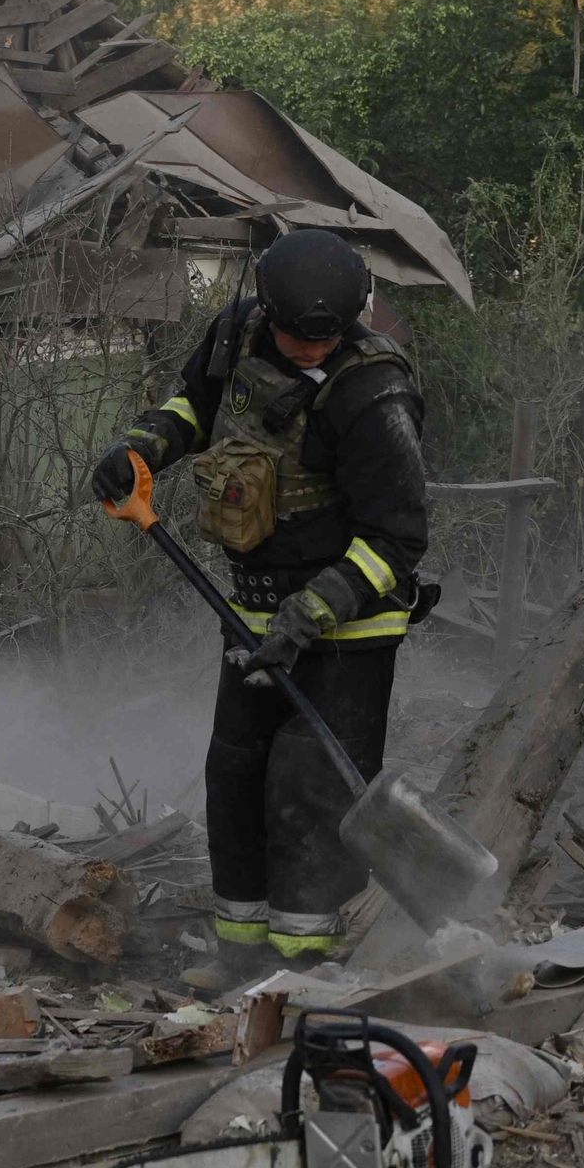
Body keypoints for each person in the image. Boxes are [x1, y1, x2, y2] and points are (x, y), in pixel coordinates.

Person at [90, 228, 431, 970]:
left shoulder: (376, 393)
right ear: (266, 310)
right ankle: (240, 954)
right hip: (247, 615)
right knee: (236, 779)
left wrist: (309, 614)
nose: (309, 351)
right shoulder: (235, 334)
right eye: (294, 337)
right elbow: (192, 406)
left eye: (326, 340)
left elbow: (399, 539)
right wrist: (141, 448)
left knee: (307, 792)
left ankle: (304, 963)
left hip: (347, 634)